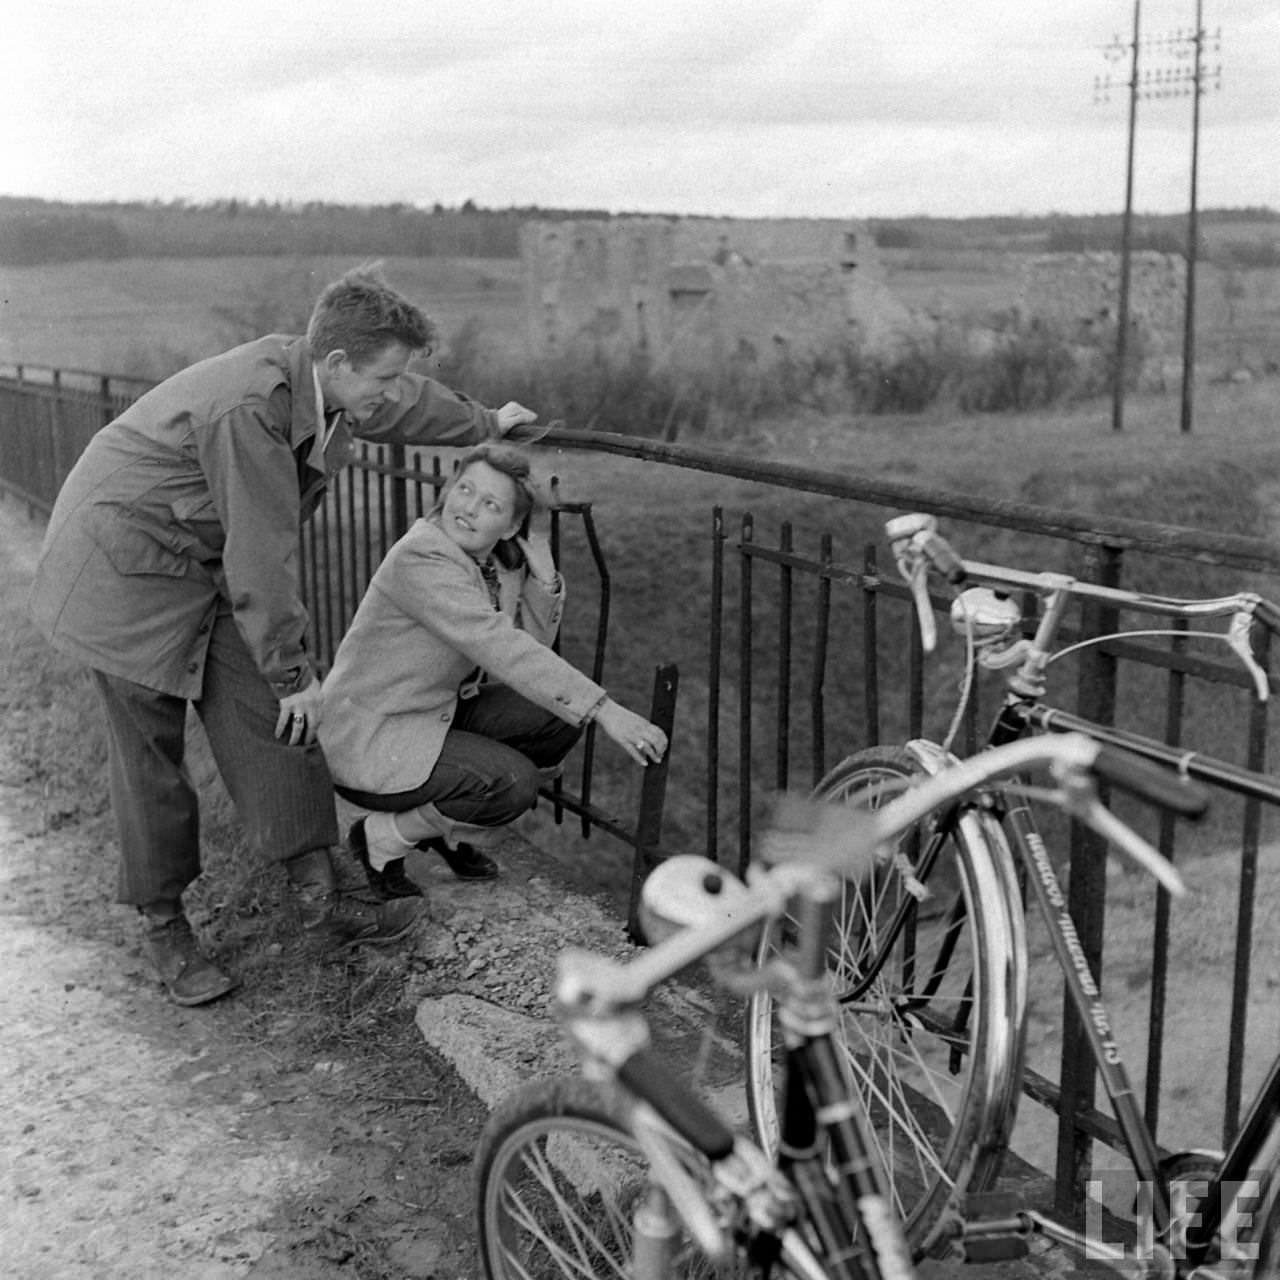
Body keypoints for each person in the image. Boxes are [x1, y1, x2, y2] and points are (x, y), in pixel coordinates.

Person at [29, 263, 540, 1007]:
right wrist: (294, 670)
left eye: (399, 377)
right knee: (153, 756)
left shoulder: (320, 377)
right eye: (385, 377)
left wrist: (484, 423)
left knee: (281, 723)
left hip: (195, 556)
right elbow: (261, 557)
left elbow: (401, 404)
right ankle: (165, 925)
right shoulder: (251, 411)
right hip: (121, 571)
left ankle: (320, 897)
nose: (393, 393)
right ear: (336, 363)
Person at [318, 443, 667, 896]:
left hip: (427, 715)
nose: (468, 508)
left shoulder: (483, 563)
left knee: (554, 718)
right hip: (371, 737)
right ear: (448, 490)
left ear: (512, 525)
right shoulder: (422, 557)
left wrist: (544, 579)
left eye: (491, 504)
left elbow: (527, 653)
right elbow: (501, 647)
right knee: (512, 783)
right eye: (465, 489)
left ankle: (445, 829)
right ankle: (382, 840)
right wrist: (604, 708)